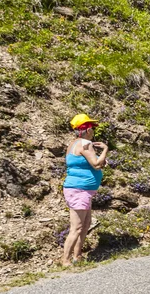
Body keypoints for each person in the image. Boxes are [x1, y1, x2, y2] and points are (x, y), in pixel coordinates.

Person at [61, 113, 108, 266]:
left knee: (85, 224)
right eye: (92, 127)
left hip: (81, 190)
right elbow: (95, 164)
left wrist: (100, 162)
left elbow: (85, 163)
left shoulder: (73, 144)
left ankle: (78, 256)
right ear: (86, 129)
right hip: (79, 189)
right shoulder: (86, 144)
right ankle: (66, 261)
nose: (93, 131)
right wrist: (105, 150)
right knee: (77, 227)